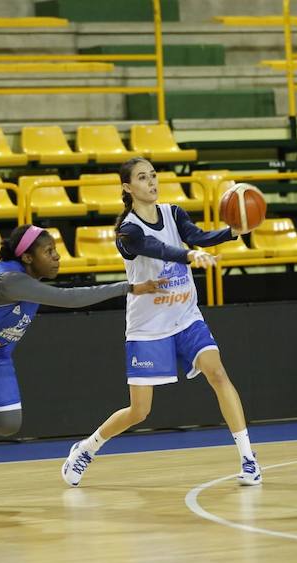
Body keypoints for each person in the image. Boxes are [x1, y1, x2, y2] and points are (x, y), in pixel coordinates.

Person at [0, 224, 165, 512]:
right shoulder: (10, 281)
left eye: (56, 250)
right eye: (49, 251)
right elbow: (69, 299)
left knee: (7, 424)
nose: (57, 257)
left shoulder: (26, 278)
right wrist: (128, 287)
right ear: (28, 258)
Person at [61, 158, 263, 487]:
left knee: (218, 371)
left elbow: (198, 236)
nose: (151, 182)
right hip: (148, 325)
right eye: (142, 178)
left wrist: (231, 231)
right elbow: (157, 248)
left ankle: (249, 459)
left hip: (184, 315)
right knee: (139, 411)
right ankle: (87, 447)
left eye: (153, 176)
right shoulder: (127, 231)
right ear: (127, 187)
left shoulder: (173, 213)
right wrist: (188, 255)